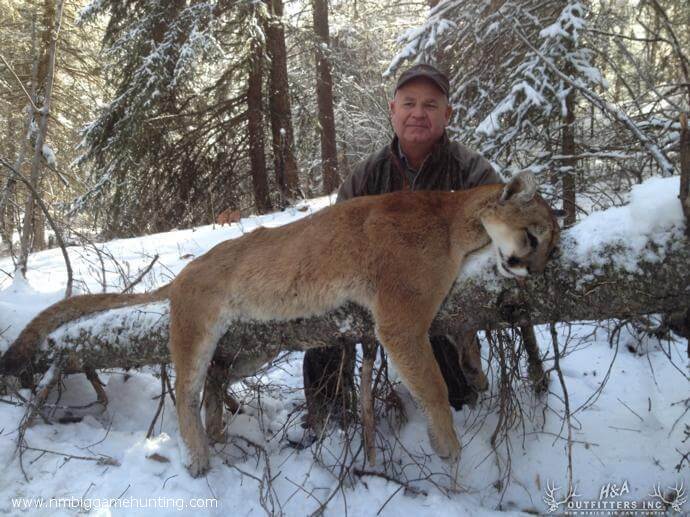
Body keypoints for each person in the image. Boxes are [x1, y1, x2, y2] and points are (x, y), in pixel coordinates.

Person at [302, 63, 503, 429]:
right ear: (393, 110)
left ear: (447, 114)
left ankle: (459, 400)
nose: (418, 113)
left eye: (430, 105)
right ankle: (329, 421)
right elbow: (333, 240)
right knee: (323, 321)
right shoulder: (367, 176)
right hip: (370, 291)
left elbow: (497, 235)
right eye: (409, 103)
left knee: (459, 401)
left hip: (439, 297)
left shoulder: (472, 173)